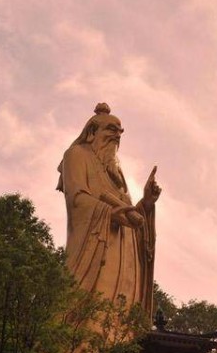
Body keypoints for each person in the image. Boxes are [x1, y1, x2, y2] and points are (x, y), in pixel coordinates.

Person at [57, 102, 161, 314]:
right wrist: (109, 213)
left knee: (121, 314)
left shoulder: (116, 170)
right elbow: (76, 199)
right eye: (111, 130)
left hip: (125, 254)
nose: (117, 136)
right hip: (95, 246)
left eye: (120, 132)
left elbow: (131, 216)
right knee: (88, 311)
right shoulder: (76, 155)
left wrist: (147, 204)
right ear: (91, 133)